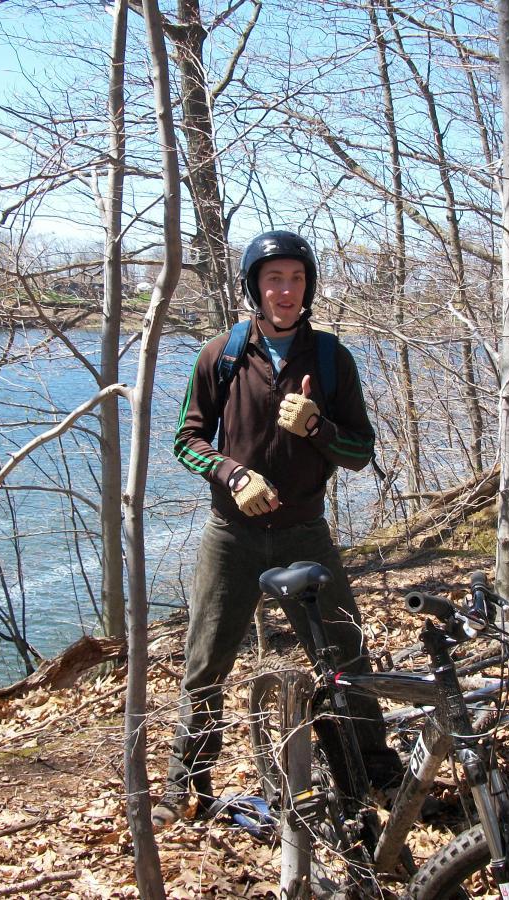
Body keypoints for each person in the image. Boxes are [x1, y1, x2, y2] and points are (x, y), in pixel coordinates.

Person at [154, 229, 403, 829]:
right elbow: (186, 443)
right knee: (207, 661)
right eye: (273, 279)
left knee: (343, 653)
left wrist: (317, 426)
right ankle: (184, 783)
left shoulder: (330, 358)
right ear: (254, 288)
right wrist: (235, 474)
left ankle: (371, 767)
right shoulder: (222, 355)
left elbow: (360, 450)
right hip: (231, 534)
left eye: (295, 278)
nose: (284, 290)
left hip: (304, 533)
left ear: (307, 286)